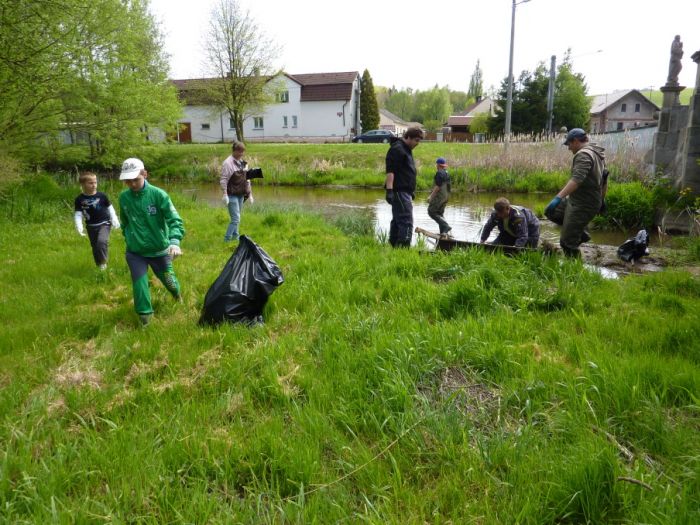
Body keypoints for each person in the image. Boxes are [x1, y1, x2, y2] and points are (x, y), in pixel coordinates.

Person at [118, 158, 185, 326]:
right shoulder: (124, 198)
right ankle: (145, 319)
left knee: (170, 282)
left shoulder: (159, 195)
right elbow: (124, 222)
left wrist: (175, 241)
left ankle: (177, 295)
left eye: (136, 179)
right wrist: (129, 236)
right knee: (139, 284)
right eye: (128, 181)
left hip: (159, 251)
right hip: (135, 252)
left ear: (145, 174)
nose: (132, 184)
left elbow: (174, 220)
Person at [544, 128, 605, 257]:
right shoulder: (595, 152)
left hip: (584, 203)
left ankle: (574, 269)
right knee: (551, 212)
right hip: (578, 199)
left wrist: (558, 198)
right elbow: (605, 180)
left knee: (566, 242)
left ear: (576, 141)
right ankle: (580, 232)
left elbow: (577, 180)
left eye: (569, 144)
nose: (568, 148)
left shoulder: (584, 154)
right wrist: (602, 199)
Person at [384, 127, 424, 247]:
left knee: (397, 221)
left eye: (419, 141)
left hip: (404, 191)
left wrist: (410, 191)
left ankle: (394, 248)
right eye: (416, 140)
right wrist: (390, 190)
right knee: (406, 221)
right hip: (399, 191)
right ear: (408, 137)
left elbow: (405, 171)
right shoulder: (397, 149)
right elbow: (391, 171)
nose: (418, 143)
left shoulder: (406, 149)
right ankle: (403, 249)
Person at [74, 172, 120, 270]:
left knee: (101, 242)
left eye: (95, 182)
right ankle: (99, 265)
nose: (94, 185)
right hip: (91, 226)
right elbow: (78, 214)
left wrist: (114, 218)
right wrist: (79, 226)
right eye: (90, 183)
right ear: (82, 184)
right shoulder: (79, 199)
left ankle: (103, 263)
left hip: (104, 223)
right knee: (95, 246)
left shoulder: (102, 196)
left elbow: (110, 207)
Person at [220, 140, 253, 242]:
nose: (241, 154)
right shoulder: (227, 163)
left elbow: (247, 179)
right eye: (239, 152)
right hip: (231, 195)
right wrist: (225, 194)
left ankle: (236, 237)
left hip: (241, 194)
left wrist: (250, 194)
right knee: (235, 219)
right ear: (234, 151)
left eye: (242, 152)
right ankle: (227, 239)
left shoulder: (242, 163)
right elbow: (223, 179)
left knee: (237, 218)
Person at [427, 157, 452, 237]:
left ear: (438, 165)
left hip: (440, 197)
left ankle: (445, 226)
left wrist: (431, 197)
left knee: (432, 211)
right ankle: (444, 233)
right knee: (439, 213)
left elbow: (437, 187)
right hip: (446, 196)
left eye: (436, 164)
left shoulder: (439, 173)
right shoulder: (446, 173)